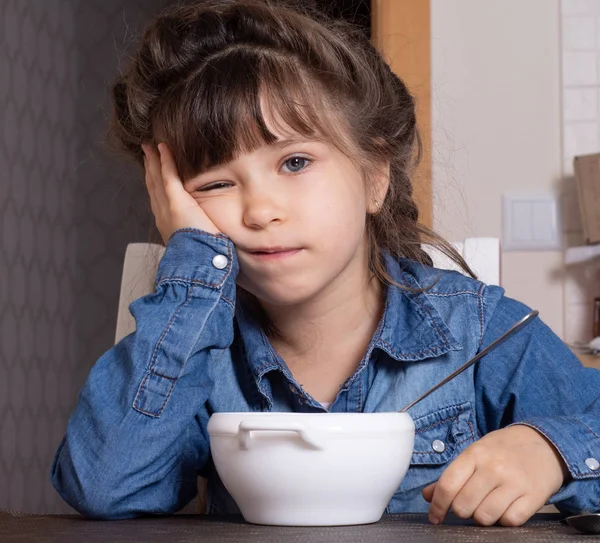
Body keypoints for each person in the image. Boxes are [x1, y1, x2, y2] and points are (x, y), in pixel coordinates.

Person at [50, 0, 600, 525]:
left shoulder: (479, 332)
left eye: (294, 162)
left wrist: (550, 451)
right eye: (215, 183)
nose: (260, 210)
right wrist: (193, 269)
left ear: (375, 176)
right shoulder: (200, 352)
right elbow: (105, 487)